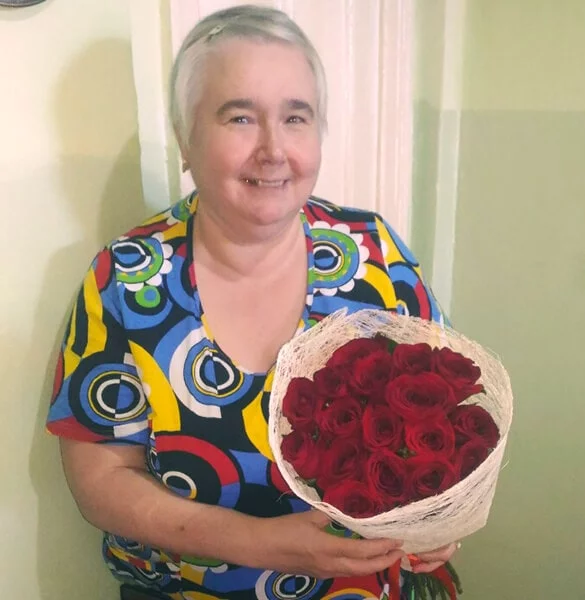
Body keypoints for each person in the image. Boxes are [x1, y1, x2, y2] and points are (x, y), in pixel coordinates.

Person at [46, 5, 457, 600]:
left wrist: (439, 517)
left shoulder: (375, 256)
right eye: (240, 117)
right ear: (186, 139)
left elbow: (448, 417)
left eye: (295, 117)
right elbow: (101, 480)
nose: (273, 149)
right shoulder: (128, 277)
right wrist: (262, 544)